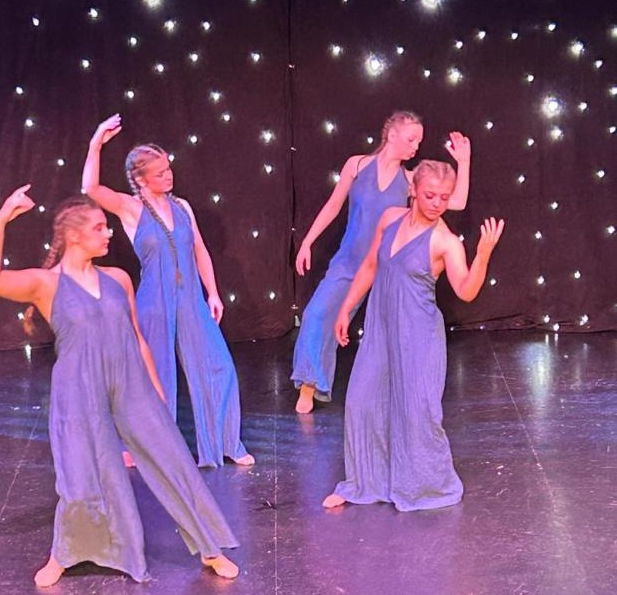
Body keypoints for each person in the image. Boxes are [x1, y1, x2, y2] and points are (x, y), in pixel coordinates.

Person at [0, 185, 241, 586]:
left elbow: (138, 338)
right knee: (81, 475)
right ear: (74, 236)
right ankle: (65, 553)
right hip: (78, 388)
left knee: (174, 461)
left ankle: (210, 548)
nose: (109, 233)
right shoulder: (47, 284)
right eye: (99, 227)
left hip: (130, 382)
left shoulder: (118, 278)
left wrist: (158, 392)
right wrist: (2, 218)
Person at [322, 160, 504, 511]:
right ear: (414, 191)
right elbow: (371, 265)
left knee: (417, 414)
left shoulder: (445, 242)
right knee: (362, 403)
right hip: (381, 328)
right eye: (430, 195)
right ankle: (363, 483)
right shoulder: (390, 218)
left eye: (444, 197)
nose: (437, 203)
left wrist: (482, 255)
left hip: (418, 336)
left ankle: (425, 485)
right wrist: (346, 307)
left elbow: (466, 291)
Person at [81, 114, 253, 468]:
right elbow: (91, 189)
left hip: (190, 299)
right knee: (152, 375)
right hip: (154, 302)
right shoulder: (131, 209)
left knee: (218, 366)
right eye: (160, 173)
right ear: (141, 179)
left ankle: (226, 443)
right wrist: (96, 141)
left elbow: (199, 250)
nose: (168, 176)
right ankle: (145, 447)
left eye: (168, 169)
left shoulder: (182, 207)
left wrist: (213, 293)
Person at [292, 111, 472, 413]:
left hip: (388, 268)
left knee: (390, 334)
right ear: (392, 134)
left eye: (419, 142)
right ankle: (309, 385)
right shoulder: (356, 165)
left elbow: (457, 201)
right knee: (316, 314)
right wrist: (307, 241)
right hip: (349, 262)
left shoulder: (410, 180)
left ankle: (400, 396)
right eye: (411, 139)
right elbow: (333, 206)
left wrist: (463, 162)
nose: (415, 147)